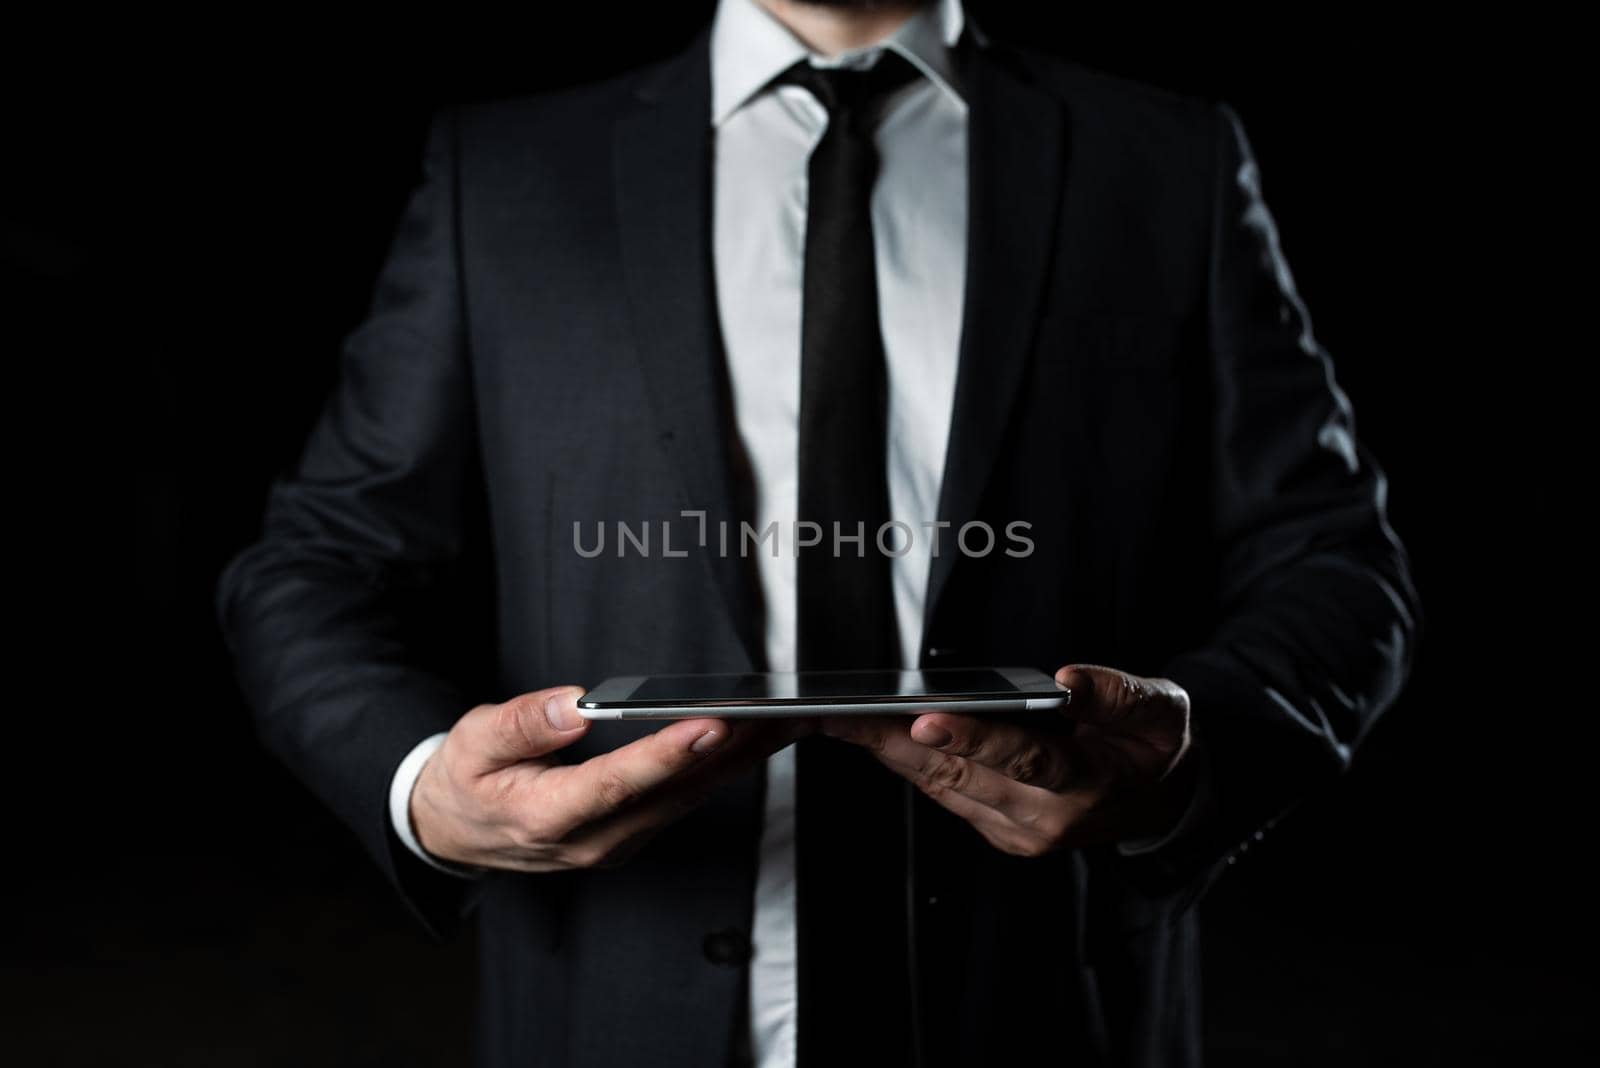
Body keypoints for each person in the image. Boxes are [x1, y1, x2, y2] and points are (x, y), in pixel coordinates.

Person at [214, 1, 1421, 1065]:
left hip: (1052, 1000)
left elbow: (1331, 562)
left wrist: (1183, 759)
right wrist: (423, 790)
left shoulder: (1164, 160)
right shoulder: (510, 169)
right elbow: (317, 564)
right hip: (614, 1005)